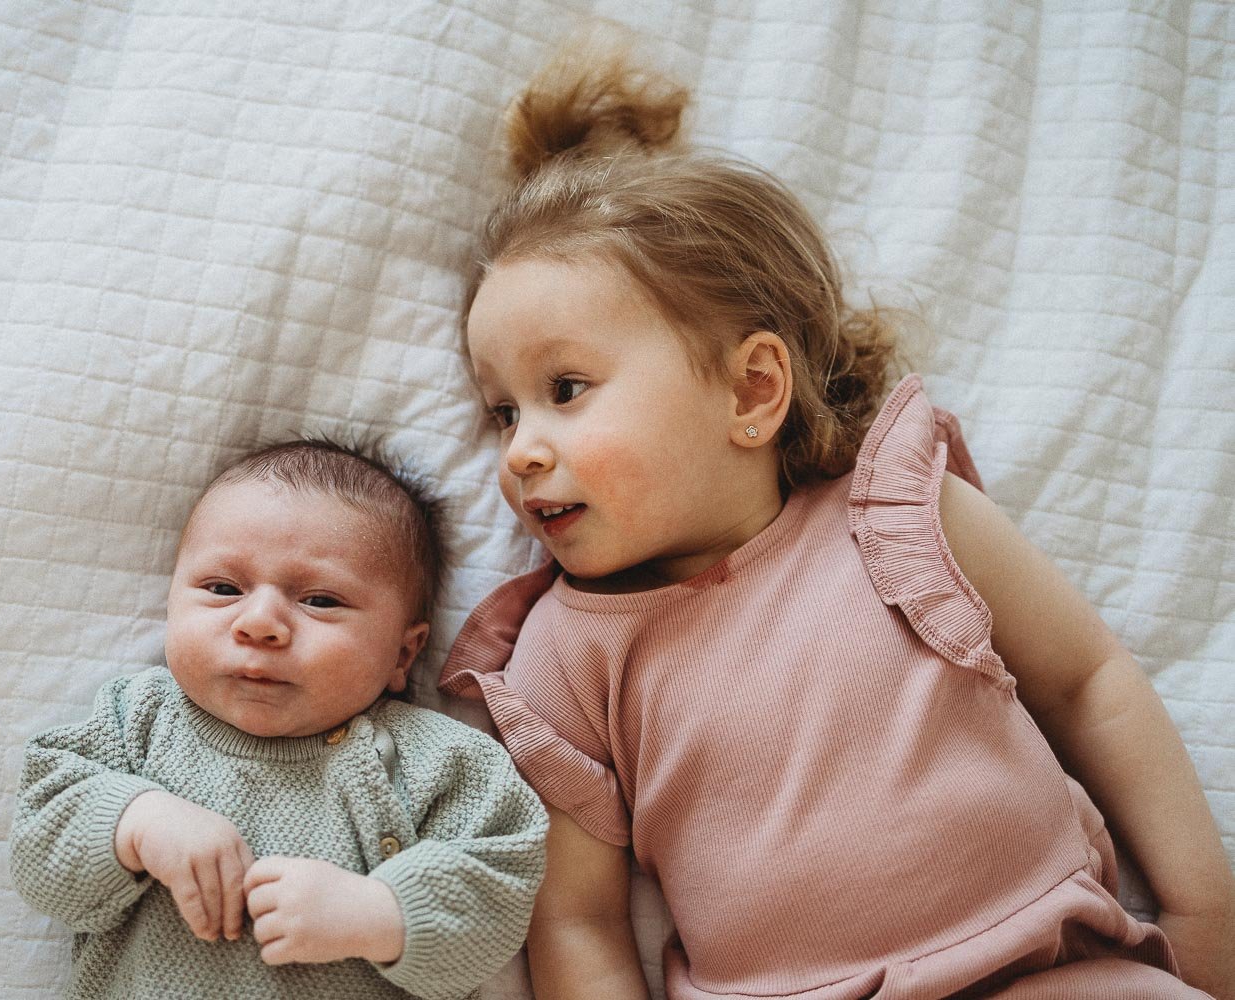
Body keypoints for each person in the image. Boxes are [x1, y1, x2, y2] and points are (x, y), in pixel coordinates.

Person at [438, 41, 1234, 1000]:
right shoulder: (565, 656)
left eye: (566, 389)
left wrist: (1203, 911)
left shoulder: (899, 514)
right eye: (503, 411)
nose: (519, 450)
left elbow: (1087, 680)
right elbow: (578, 924)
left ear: (752, 388)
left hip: (1046, 968)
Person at [11, 438, 548, 1000]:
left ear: (402, 655)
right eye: (223, 589)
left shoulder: (440, 760)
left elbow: (502, 886)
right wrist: (138, 823)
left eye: (318, 600)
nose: (261, 622)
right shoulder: (138, 718)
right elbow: (39, 848)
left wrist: (378, 914)